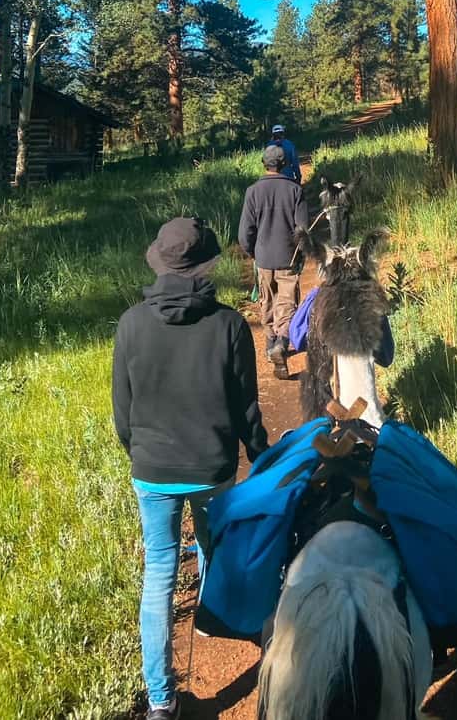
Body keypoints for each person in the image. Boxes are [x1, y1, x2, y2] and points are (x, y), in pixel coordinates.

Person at [112, 216, 269, 720]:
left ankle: (161, 700)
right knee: (214, 549)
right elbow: (247, 408)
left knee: (158, 570)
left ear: (159, 264)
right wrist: (261, 454)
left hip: (151, 469)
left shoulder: (131, 324)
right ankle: (215, 623)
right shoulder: (229, 325)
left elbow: (123, 409)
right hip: (212, 468)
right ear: (207, 267)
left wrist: (140, 451)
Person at [238, 145, 308, 379]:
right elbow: (303, 228)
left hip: (264, 257)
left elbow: (245, 232)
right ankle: (282, 341)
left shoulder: (252, 192)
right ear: (285, 163)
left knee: (267, 300)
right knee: (287, 303)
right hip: (288, 256)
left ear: (263, 163)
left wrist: (253, 252)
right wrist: (300, 252)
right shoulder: (294, 190)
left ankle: (270, 343)